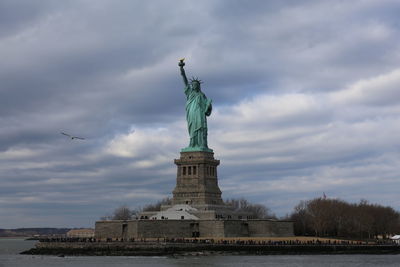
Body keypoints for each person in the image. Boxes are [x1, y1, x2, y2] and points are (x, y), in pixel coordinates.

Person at [179, 59, 212, 151]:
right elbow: (185, 81)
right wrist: (182, 69)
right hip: (192, 113)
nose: (194, 86)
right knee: (193, 129)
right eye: (193, 85)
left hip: (200, 114)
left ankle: (202, 144)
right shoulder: (189, 93)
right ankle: (192, 144)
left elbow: (207, 108)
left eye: (196, 85)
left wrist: (208, 105)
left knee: (201, 129)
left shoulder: (202, 95)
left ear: (198, 86)